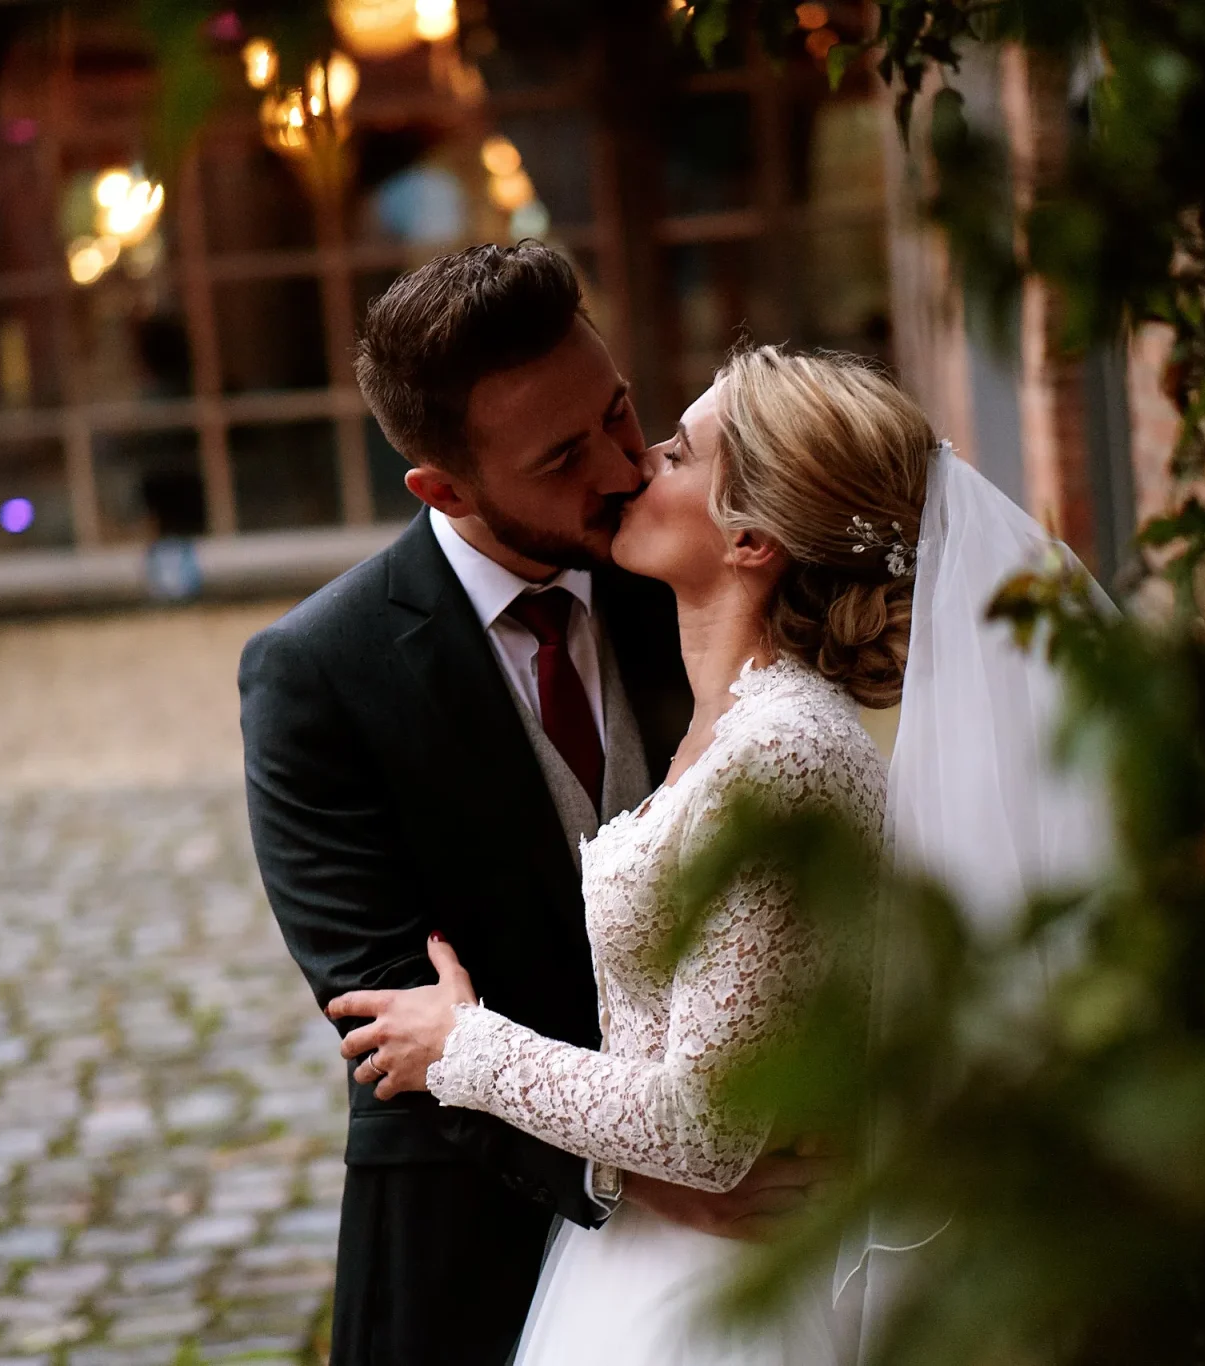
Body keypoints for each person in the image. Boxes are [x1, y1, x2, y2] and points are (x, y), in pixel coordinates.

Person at [237, 245, 829, 1366]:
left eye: (619, 411)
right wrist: (633, 1177)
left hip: (739, 1262)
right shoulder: (316, 674)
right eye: (563, 455)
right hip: (465, 1245)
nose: (618, 467)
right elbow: (389, 1020)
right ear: (442, 489)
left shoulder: (686, 567)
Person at [328, 346, 936, 1364]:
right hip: (648, 1266)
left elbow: (705, 1127)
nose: (628, 466)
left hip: (723, 1292)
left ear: (749, 539)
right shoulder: (732, 728)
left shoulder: (780, 752)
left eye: (673, 451)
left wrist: (464, 1046)